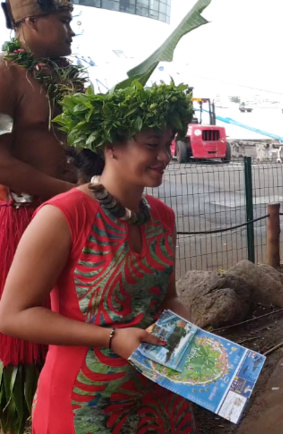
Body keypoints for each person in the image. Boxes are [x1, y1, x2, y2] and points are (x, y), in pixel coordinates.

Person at [0, 81, 197, 432]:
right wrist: (111, 338)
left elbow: (168, 298)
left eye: (168, 145)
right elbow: (12, 316)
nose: (166, 157)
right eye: (152, 145)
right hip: (83, 405)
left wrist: (182, 326)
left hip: (161, 400)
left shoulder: (162, 217)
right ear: (110, 146)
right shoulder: (63, 215)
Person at [0, 0, 86, 428]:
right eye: (64, 21)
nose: (72, 31)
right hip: (26, 219)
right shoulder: (5, 73)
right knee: (29, 330)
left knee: (76, 317)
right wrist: (70, 195)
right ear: (30, 21)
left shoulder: (69, 78)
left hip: (72, 215)